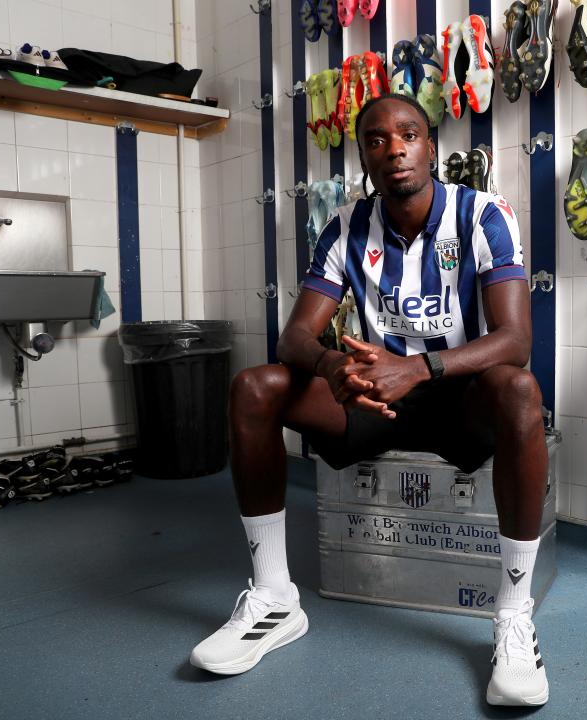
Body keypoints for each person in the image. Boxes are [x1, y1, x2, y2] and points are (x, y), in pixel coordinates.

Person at [189, 94, 551, 707]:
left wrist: (419, 367)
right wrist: (333, 365)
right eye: (377, 139)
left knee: (519, 390)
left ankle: (514, 616)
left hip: (456, 397)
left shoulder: (485, 214)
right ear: (364, 157)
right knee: (255, 386)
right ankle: (275, 598)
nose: (395, 148)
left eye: (408, 134)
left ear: (431, 146)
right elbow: (294, 337)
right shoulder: (347, 227)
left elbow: (515, 341)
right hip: (375, 397)